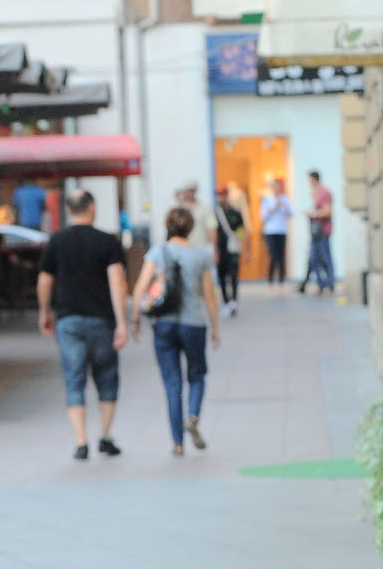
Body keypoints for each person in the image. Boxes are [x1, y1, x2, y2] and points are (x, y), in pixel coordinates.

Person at [37, 189, 130, 459]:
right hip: (102, 320)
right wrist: (122, 322)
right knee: (107, 377)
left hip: (68, 321)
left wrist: (45, 312)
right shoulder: (108, 242)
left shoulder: (56, 241)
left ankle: (81, 442)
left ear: (68, 209)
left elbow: (44, 281)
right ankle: (104, 436)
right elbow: (118, 282)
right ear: (92, 207)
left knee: (73, 378)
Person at [131, 206, 222, 455]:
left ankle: (178, 443)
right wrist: (215, 327)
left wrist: (135, 318)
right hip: (193, 324)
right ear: (191, 228)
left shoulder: (157, 253)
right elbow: (209, 296)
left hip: (164, 324)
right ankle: (192, 417)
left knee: (172, 384)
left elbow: (140, 288)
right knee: (197, 375)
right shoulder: (201, 255)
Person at [300, 169, 336, 295]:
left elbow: (327, 211)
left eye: (309, 179)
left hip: (323, 231)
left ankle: (330, 285)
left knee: (326, 258)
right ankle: (321, 285)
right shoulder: (316, 193)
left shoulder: (325, 192)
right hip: (315, 232)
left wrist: (313, 213)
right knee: (314, 259)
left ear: (314, 179)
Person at [214, 184, 244, 315]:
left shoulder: (235, 212)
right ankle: (226, 301)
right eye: (218, 195)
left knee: (233, 276)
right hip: (220, 250)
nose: (219, 198)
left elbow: (241, 230)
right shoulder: (215, 213)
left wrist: (241, 244)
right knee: (221, 276)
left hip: (233, 249)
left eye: (221, 195)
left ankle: (234, 302)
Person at [259, 177, 291, 284]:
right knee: (273, 255)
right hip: (270, 231)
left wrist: (284, 206)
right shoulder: (267, 200)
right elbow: (263, 216)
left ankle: (282, 279)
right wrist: (274, 208)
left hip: (281, 231)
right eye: (275, 186)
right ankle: (270, 279)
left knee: (281, 255)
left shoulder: (285, 199)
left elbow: (291, 213)